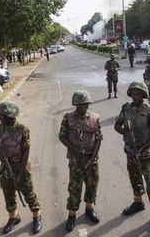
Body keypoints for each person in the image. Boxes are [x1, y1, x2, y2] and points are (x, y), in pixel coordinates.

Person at [114, 81, 150, 233]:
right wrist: (126, 133)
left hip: (145, 153)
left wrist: (142, 148)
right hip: (130, 151)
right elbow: (117, 125)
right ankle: (138, 203)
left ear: (143, 95)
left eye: (138, 94)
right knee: (134, 178)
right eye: (133, 94)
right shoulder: (126, 109)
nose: (135, 96)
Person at [58, 90, 102, 232]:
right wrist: (75, 150)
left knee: (91, 186)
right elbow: (62, 136)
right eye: (82, 104)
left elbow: (98, 139)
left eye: (87, 104)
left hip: (91, 161)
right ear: (76, 104)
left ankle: (89, 209)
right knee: (74, 188)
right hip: (76, 162)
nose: (85, 107)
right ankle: (72, 215)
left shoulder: (95, 118)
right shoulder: (68, 118)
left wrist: (92, 158)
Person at [0, 101, 42, 234]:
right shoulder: (1, 127)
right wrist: (5, 164)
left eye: (1, 115)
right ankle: (14, 217)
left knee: (29, 193)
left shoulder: (23, 129)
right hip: (6, 167)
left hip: (21, 167)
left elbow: (26, 152)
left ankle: (37, 216)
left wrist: (20, 173)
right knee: (8, 193)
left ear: (9, 115)